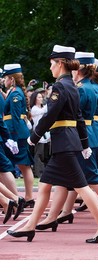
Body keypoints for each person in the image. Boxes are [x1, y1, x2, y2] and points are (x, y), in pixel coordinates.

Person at [7, 45, 98, 243]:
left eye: (52, 64)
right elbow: (79, 118)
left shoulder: (60, 86)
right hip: (68, 142)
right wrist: (85, 143)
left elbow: (50, 115)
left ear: (60, 63)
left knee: (82, 187)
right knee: (45, 185)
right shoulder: (71, 85)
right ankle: (31, 227)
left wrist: (34, 136)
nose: (50, 68)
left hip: (64, 144)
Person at [2, 63, 35, 206]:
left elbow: (15, 117)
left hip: (16, 133)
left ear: (12, 79)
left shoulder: (15, 93)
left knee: (23, 165)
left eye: (6, 78)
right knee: (21, 166)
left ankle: (26, 197)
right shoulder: (14, 91)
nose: (4, 80)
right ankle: (23, 198)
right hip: (16, 132)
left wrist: (13, 138)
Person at [30, 89, 51, 178]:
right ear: (35, 99)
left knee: (46, 154)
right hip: (38, 133)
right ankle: (39, 172)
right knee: (39, 153)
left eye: (41, 97)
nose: (41, 98)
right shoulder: (34, 109)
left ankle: (45, 171)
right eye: (39, 97)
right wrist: (50, 97)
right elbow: (45, 109)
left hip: (45, 133)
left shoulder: (41, 108)